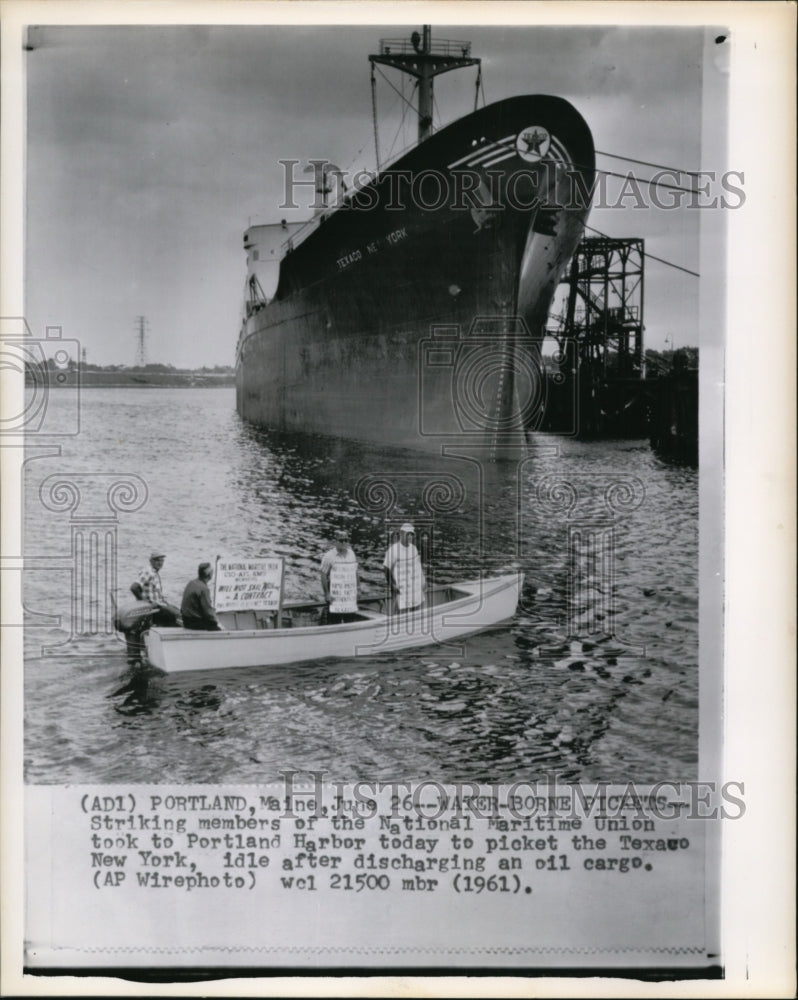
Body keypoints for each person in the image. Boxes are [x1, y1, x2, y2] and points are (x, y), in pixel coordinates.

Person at [383, 522, 426, 611]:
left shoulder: (414, 548)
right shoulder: (393, 550)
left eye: (411, 534)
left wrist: (423, 580)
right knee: (401, 612)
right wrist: (392, 585)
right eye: (407, 534)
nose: (410, 537)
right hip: (400, 587)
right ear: (402, 534)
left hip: (414, 586)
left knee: (416, 608)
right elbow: (386, 568)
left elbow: (418, 566)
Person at [320, 529, 358, 623]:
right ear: (335, 542)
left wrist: (358, 588)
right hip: (335, 593)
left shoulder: (351, 554)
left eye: (346, 540)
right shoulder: (328, 556)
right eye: (341, 540)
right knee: (334, 620)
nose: (344, 542)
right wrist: (326, 594)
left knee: (350, 619)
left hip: (348, 594)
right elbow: (323, 574)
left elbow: (355, 571)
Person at [113, 582, 157, 664]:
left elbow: (134, 587)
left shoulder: (136, 606)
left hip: (130, 629)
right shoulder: (144, 604)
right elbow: (134, 587)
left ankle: (135, 658)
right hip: (134, 629)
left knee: (133, 657)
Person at [138, 549, 181, 626]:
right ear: (151, 561)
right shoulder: (148, 572)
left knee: (179, 612)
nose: (160, 563)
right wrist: (146, 603)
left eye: (162, 560)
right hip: (155, 607)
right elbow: (134, 587)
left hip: (160, 605)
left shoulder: (154, 572)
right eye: (157, 560)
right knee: (177, 616)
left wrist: (167, 605)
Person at [181, 562, 223, 631]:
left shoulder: (192, 582)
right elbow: (208, 610)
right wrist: (216, 622)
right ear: (209, 574)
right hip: (193, 623)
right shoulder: (204, 589)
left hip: (185, 619)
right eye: (212, 572)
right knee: (216, 626)